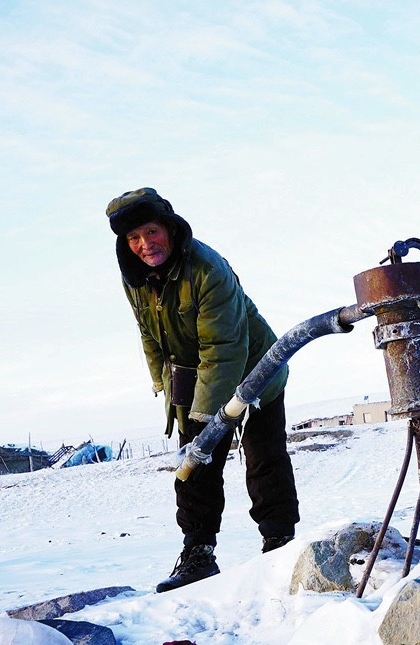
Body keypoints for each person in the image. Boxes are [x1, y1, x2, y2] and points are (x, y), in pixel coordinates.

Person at [106, 187, 300, 592]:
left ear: (170, 229)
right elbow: (149, 334)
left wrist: (204, 418)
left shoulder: (208, 269)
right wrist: (165, 384)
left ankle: (279, 544)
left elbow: (225, 348)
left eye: (151, 232)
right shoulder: (135, 276)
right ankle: (198, 552)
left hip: (255, 366)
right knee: (193, 465)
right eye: (134, 238)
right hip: (195, 374)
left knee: (264, 457)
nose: (144, 245)